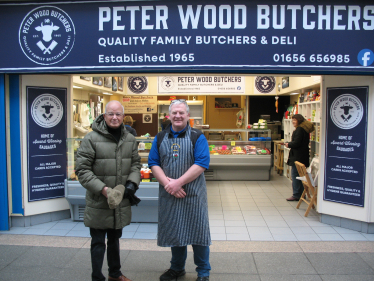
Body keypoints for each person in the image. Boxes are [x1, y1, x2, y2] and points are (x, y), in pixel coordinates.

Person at [75, 100, 141, 281]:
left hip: (119, 201)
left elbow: (136, 164)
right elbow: (82, 170)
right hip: (99, 200)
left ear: (123, 116)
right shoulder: (91, 138)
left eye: (118, 114)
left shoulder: (129, 138)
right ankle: (97, 277)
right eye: (111, 114)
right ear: (104, 116)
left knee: (114, 240)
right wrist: (103, 190)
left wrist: (131, 184)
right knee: (97, 242)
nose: (114, 117)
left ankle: (115, 274)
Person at [148, 100, 211, 281]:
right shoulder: (160, 137)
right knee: (175, 230)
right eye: (174, 113)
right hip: (170, 194)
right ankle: (177, 268)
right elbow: (153, 163)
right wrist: (170, 186)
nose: (177, 116)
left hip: (193, 194)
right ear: (169, 115)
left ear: (188, 115)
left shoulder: (197, 137)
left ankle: (203, 272)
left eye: (181, 113)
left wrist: (178, 183)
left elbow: (201, 163)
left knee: (198, 232)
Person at [284, 114, 315, 201]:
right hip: (303, 155)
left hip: (298, 156)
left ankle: (297, 195)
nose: (293, 122)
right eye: (292, 120)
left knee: (295, 175)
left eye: (295, 120)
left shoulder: (300, 130)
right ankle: (301, 194)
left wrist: (288, 144)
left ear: (299, 120)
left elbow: (297, 143)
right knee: (300, 175)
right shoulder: (304, 129)